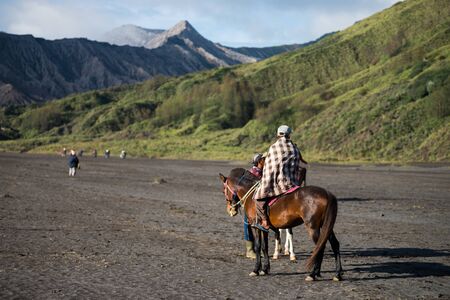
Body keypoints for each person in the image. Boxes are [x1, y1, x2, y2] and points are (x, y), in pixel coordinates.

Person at [253, 125, 308, 232]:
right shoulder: (295, 148)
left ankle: (264, 222)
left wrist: (265, 181)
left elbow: (269, 168)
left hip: (278, 184)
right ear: (289, 134)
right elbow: (298, 166)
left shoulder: (273, 147)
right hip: (293, 184)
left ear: (278, 134)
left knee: (258, 198)